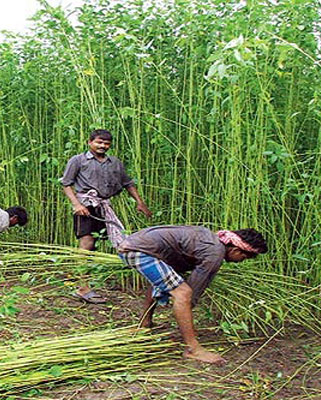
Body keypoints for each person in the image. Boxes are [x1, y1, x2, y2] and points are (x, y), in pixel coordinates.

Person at [117, 225, 268, 364]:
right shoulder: (215, 254)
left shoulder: (210, 238)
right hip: (138, 251)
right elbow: (191, 292)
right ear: (236, 250)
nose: (241, 261)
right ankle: (193, 349)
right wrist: (185, 308)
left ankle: (145, 323)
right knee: (183, 293)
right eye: (244, 258)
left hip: (135, 245)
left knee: (165, 282)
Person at [61, 129, 151, 303]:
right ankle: (82, 288)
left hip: (104, 206)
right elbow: (66, 184)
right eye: (99, 142)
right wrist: (77, 205)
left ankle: (93, 283)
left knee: (113, 242)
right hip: (86, 207)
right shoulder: (78, 160)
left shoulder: (114, 163)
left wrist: (140, 202)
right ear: (90, 142)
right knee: (86, 244)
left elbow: (128, 184)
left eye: (106, 143)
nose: (103, 146)